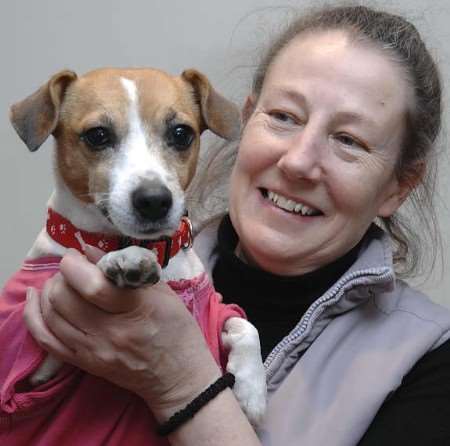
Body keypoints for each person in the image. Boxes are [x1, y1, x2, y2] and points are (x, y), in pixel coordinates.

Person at [3, 4, 450, 445]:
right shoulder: (141, 270)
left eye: (349, 140)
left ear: (399, 186)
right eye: (284, 117)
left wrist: (182, 383)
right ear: (247, 117)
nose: (298, 162)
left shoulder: (427, 363)